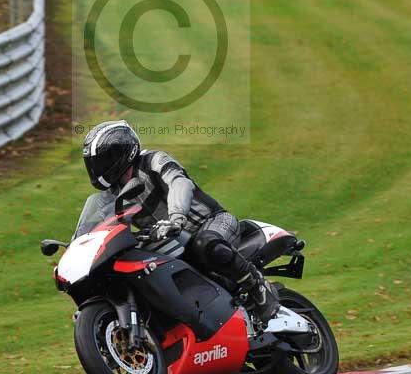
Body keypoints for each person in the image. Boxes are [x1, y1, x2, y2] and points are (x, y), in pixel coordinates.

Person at [81, 119, 279, 324]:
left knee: (205, 243)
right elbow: (104, 227)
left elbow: (180, 183)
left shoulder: (153, 161)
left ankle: (258, 287)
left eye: (102, 161)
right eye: (93, 163)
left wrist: (176, 218)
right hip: (171, 241)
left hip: (211, 222)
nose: (97, 169)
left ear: (120, 153)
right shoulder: (110, 196)